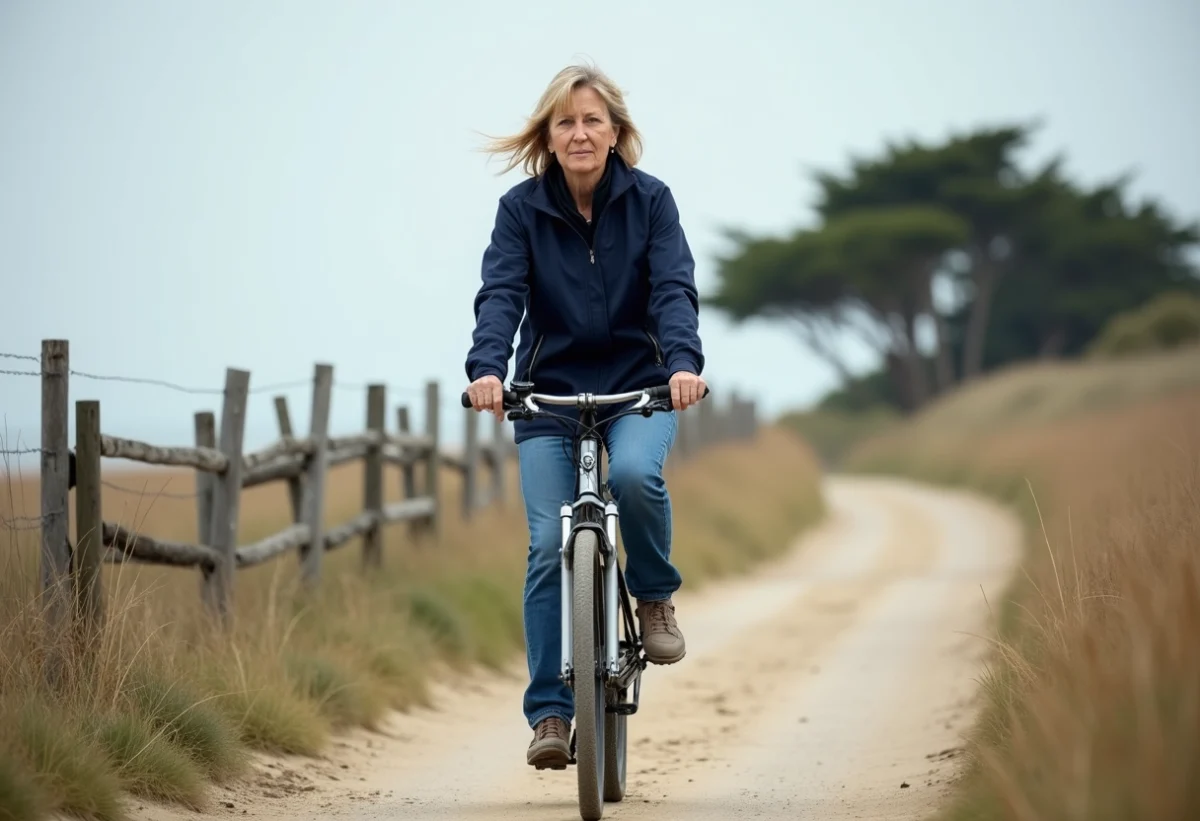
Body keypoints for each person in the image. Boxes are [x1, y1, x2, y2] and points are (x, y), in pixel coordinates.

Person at [462, 62, 706, 770]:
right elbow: (501, 292)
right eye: (565, 121)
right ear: (548, 134)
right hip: (548, 394)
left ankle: (654, 595)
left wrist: (683, 364)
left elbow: (673, 289)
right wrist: (487, 370)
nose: (579, 132)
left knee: (633, 473)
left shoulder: (652, 202)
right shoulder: (522, 210)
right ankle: (549, 713)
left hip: (642, 386)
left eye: (592, 119)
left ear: (616, 132)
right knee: (547, 542)